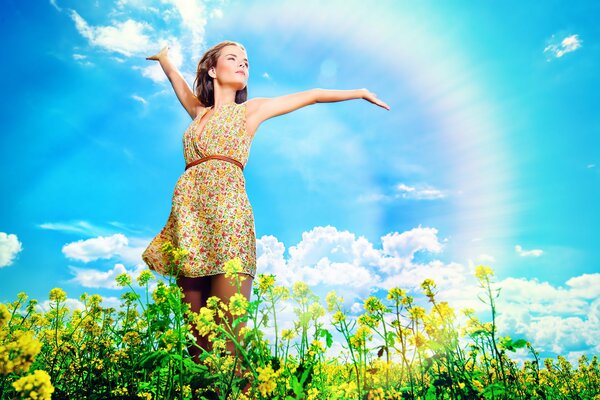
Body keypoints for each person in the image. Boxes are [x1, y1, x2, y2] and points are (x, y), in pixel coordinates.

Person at [142, 40, 389, 366]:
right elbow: (179, 84)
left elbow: (312, 95)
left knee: (229, 337)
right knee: (196, 342)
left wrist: (358, 91)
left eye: (246, 60)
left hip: (229, 220)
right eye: (233, 58)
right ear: (213, 70)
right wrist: (164, 60)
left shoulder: (250, 110)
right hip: (189, 222)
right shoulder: (198, 113)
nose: (243, 64)